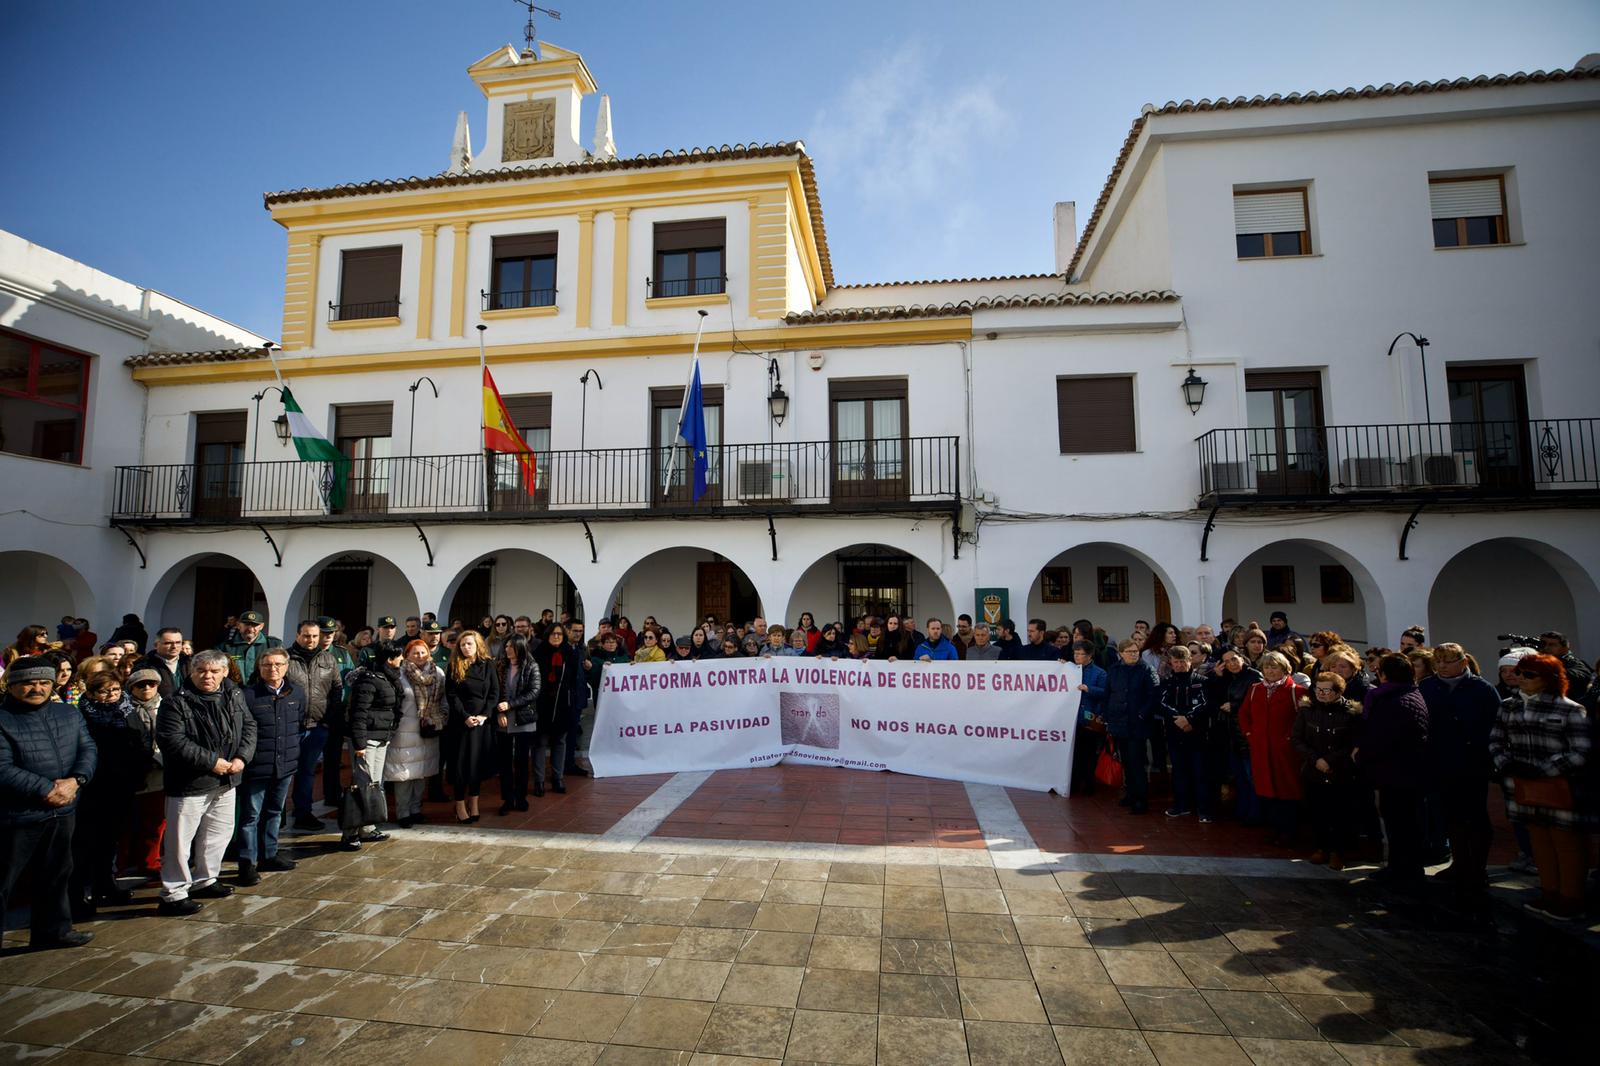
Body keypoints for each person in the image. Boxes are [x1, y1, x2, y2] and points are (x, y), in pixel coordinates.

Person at [0, 656, 98, 949]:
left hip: (63, 811)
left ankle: (54, 931)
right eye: (29, 683)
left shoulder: (68, 714)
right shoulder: (2, 719)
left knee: (57, 875)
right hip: (16, 815)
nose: (37, 688)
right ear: (12, 685)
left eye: (44, 682)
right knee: (3, 882)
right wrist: (46, 789)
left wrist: (76, 781)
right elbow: (2, 768)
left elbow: (88, 749)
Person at [1489, 653, 1592, 920]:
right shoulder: (1509, 706)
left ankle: (1570, 897)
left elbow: (1580, 751)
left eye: (1528, 674)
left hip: (1558, 786)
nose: (1520, 678)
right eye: (1520, 673)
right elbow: (1496, 741)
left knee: (1565, 843)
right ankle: (1548, 892)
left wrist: (1544, 769)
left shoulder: (1569, 708)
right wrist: (1507, 764)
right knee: (1539, 842)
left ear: (1548, 679)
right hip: (1523, 784)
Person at [156, 650, 256, 915]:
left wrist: (242, 757)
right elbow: (173, 741)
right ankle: (173, 892)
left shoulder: (234, 694)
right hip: (190, 782)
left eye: (214, 671)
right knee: (179, 840)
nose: (208, 676)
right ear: (192, 671)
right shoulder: (175, 702)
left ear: (225, 672)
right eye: (202, 671)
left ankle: (206, 878)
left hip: (227, 778)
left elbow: (249, 726)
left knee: (218, 834)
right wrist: (211, 761)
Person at [1418, 642, 1500, 900]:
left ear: (1463, 662)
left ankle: (1477, 869)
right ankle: (1459, 863)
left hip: (1472, 763)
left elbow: (1496, 724)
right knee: (1450, 817)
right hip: (1439, 762)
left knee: (1475, 817)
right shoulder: (1428, 686)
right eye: (1438, 661)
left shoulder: (1481, 688)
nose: (1442, 665)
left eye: (1448, 661)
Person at [1353, 653, 1430, 888]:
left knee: (1400, 822)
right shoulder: (1409, 693)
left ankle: (1403, 870)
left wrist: (1362, 755)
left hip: (1397, 771)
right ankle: (1402, 867)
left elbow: (1381, 737)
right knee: (1402, 821)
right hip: (1403, 770)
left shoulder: (1392, 700)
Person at [235, 648, 303, 886]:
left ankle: (269, 854)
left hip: (284, 764)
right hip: (257, 766)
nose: (272, 669)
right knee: (250, 816)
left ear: (286, 667)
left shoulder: (296, 693)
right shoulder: (248, 695)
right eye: (267, 665)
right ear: (259, 668)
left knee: (275, 812)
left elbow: (299, 725)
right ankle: (247, 862)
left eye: (277, 665)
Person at [1292, 672, 1362, 870]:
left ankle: (1337, 852)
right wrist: (1315, 759)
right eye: (1318, 689)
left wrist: (1329, 760)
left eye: (1326, 690)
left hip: (1340, 771)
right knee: (1317, 811)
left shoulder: (1350, 712)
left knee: (1340, 813)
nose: (1321, 694)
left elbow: (1352, 743)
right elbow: (1297, 739)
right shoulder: (1307, 710)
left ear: (1338, 691)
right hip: (1313, 770)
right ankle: (1321, 847)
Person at [1238, 651, 1304, 846]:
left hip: (1286, 752)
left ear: (1284, 668)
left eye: (1274, 667)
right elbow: (1243, 715)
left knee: (1288, 791)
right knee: (1267, 791)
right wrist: (1250, 735)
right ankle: (1274, 829)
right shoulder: (1255, 689)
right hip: (1261, 750)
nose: (1270, 670)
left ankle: (1289, 832)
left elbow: (1303, 720)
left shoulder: (1297, 691)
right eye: (1267, 667)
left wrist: (1291, 739)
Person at [342, 641, 402, 850]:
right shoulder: (368, 679)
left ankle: (367, 828)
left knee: (375, 785)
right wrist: (359, 744)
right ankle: (349, 833)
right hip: (365, 740)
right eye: (398, 656)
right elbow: (358, 714)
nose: (401, 660)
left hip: (380, 737)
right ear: (389, 659)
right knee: (361, 786)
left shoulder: (388, 678)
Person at [285, 620, 344, 831]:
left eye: (314, 636)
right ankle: (279, 815)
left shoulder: (328, 659)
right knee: (282, 774)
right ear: (298, 635)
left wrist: (328, 720)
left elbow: (337, 689)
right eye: (306, 635)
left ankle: (303, 813)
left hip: (317, 726)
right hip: (290, 727)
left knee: (307, 772)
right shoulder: (286, 658)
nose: (310, 640)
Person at [387, 640, 443, 827]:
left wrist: (440, 718)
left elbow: (444, 700)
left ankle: (416, 809)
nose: (420, 656)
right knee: (404, 774)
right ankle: (403, 813)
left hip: (427, 729)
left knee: (421, 773)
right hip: (404, 732)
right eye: (415, 653)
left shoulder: (438, 673)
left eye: (423, 652)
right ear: (407, 655)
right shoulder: (400, 674)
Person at [445, 630, 498, 823]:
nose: (466, 647)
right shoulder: (454, 665)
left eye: (469, 644)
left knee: (477, 765)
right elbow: (451, 695)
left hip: (481, 723)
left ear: (478, 645)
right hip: (461, 723)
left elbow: (494, 693)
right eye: (462, 645)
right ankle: (459, 805)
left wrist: (484, 715)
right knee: (461, 766)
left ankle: (474, 803)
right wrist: (465, 717)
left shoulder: (488, 665)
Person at [1159, 645, 1215, 821]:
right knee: (1179, 771)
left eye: (1182, 661)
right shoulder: (1168, 682)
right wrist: (1179, 719)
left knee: (1200, 772)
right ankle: (1181, 806)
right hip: (1175, 733)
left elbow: (1206, 705)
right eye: (1175, 662)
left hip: (1197, 733)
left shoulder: (1202, 681)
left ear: (1190, 661)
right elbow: (1161, 704)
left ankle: (1204, 810)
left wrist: (1189, 719)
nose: (1179, 665)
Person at [1104, 639, 1159, 814]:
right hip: (1119, 722)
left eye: (1135, 651)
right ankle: (1130, 793)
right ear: (1121, 653)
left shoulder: (1146, 670)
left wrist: (1142, 714)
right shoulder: (1114, 670)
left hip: (1138, 723)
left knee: (1137, 762)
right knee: (1126, 761)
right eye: (1129, 651)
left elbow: (1153, 696)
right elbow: (1108, 694)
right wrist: (1108, 715)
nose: (1133, 654)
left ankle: (1141, 799)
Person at [124, 667, 167, 876]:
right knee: (129, 824)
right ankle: (123, 864)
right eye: (141, 684)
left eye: (152, 683)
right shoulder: (124, 708)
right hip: (133, 772)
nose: (147, 688)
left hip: (160, 772)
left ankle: (151, 863)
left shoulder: (167, 706)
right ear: (132, 687)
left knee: (156, 823)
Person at [495, 633, 542, 814]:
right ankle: (507, 799)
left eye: (510, 647)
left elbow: (534, 691)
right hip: (503, 719)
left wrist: (511, 704)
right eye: (506, 646)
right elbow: (495, 691)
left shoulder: (531, 666)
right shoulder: (500, 665)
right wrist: (499, 712)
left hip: (524, 719)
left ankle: (521, 797)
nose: (507, 650)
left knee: (522, 761)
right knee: (504, 762)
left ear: (520, 648)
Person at [533, 624, 582, 796]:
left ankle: (557, 778)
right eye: (553, 634)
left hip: (563, 704)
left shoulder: (569, 653)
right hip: (543, 704)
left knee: (560, 742)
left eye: (560, 634)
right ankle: (539, 781)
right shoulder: (539, 653)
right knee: (540, 742)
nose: (556, 637)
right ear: (547, 635)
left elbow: (574, 679)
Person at [1069, 641, 1108, 795]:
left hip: (1090, 719)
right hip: (1072, 719)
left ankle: (1088, 785)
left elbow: (1106, 692)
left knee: (1089, 754)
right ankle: (1074, 783)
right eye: (1075, 653)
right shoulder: (1071, 669)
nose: (1077, 656)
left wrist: (1089, 689)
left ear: (1090, 655)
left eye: (1080, 654)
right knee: (1075, 754)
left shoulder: (1100, 673)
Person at [216, 611, 282, 684]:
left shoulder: (273, 645)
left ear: (261, 626)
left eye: (254, 625)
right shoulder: (224, 647)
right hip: (235, 692)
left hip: (263, 692)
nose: (250, 629)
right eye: (246, 624)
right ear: (238, 625)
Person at [1538, 631, 1593, 702]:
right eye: (1543, 644)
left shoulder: (1573, 662)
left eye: (1552, 645)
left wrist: (1550, 671)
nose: (1546, 648)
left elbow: (1582, 677)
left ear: (1565, 649)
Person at [135, 628, 188, 699]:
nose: (174, 647)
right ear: (156, 645)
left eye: (178, 642)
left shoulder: (191, 663)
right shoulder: (144, 665)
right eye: (168, 643)